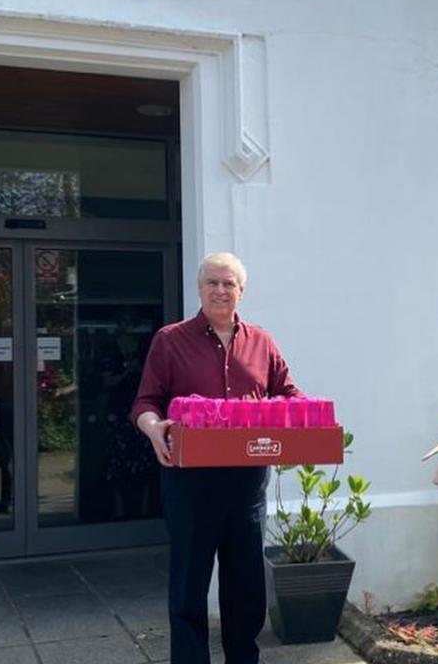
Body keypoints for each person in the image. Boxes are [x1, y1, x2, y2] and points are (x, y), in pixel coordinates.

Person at [131, 252, 301, 664]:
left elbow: (290, 396)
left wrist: (298, 433)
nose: (220, 291)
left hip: (247, 486)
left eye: (229, 284)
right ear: (199, 288)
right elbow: (145, 403)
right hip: (190, 482)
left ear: (242, 291)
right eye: (212, 282)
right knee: (188, 589)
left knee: (246, 588)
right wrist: (154, 428)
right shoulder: (170, 340)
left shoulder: (262, 342)